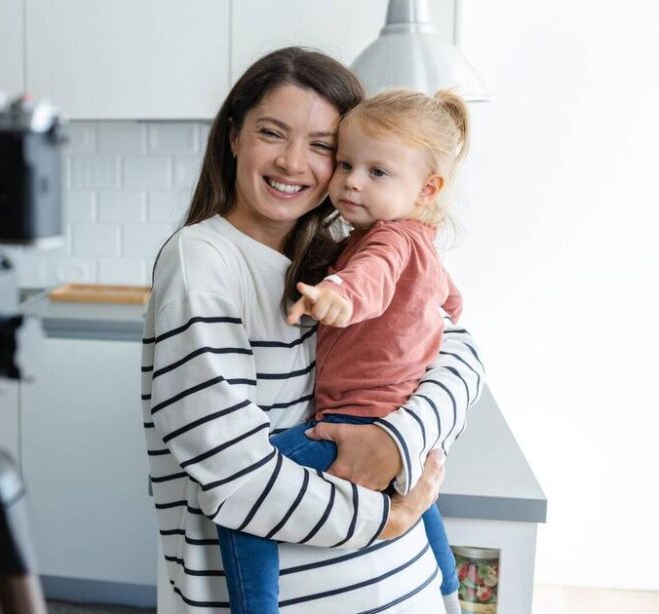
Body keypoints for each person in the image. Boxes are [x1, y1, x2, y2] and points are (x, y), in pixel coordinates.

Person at [141, 47, 485, 613]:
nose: (293, 163)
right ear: (233, 137)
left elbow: (461, 353)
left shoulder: (340, 258)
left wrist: (397, 443)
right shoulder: (203, 261)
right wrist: (392, 512)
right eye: (272, 133)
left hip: (401, 585)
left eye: (324, 147)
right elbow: (236, 479)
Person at [215, 88, 473, 614]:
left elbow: (369, 279)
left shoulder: (388, 240)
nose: (352, 181)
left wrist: (338, 297)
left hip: (359, 415)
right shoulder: (418, 238)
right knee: (422, 502)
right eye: (347, 163)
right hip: (399, 414)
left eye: (378, 173)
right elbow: (447, 296)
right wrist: (442, 303)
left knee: (246, 501)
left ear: (427, 188)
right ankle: (450, 591)